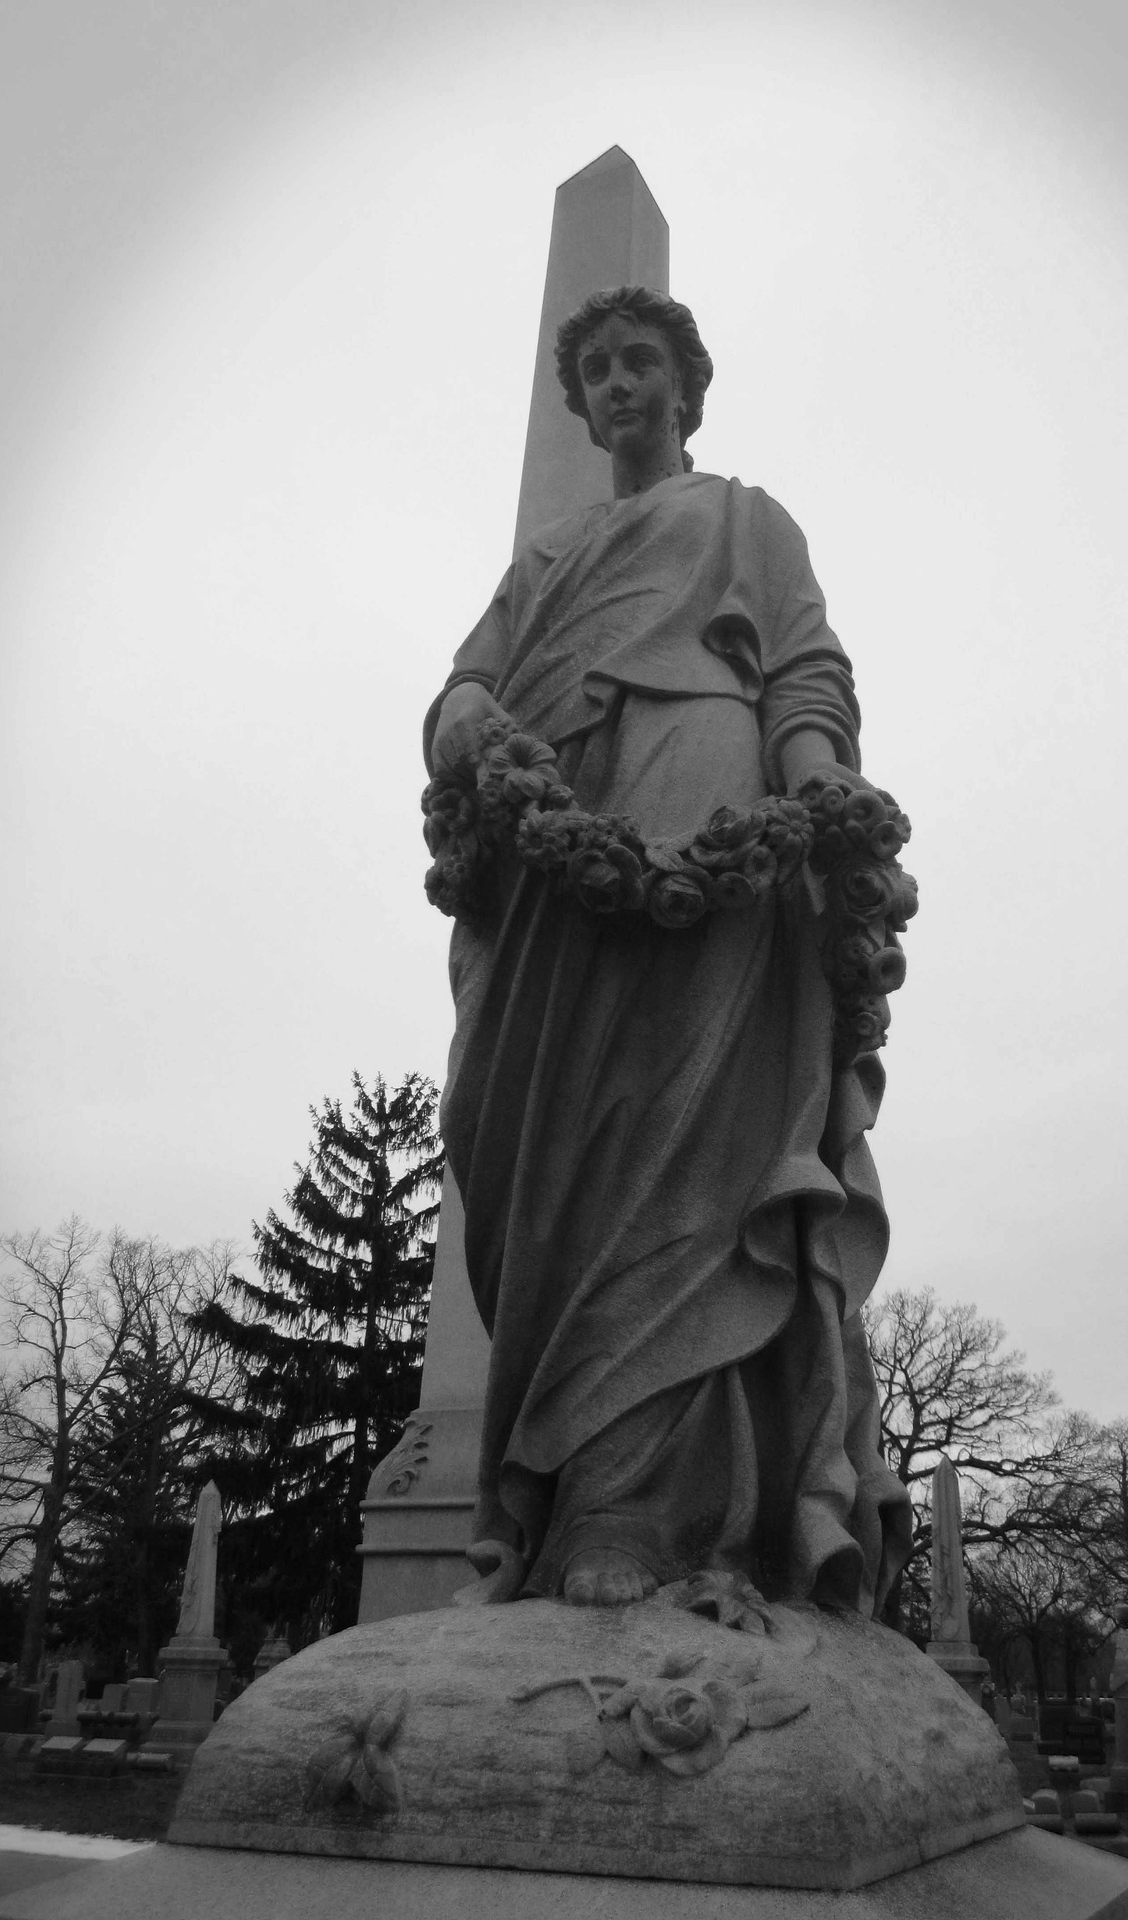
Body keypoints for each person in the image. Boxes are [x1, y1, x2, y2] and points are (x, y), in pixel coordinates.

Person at [424, 286, 910, 1615]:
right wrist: (466, 722)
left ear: (686, 388)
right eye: (597, 369)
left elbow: (805, 669)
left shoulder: (745, 518)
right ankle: (542, 1501)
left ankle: (633, 1508)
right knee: (529, 1145)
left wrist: (815, 792)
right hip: (540, 852)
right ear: (579, 405)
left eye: (642, 361)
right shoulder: (541, 565)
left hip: (705, 782)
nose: (621, 383)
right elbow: (466, 682)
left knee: (679, 1142)